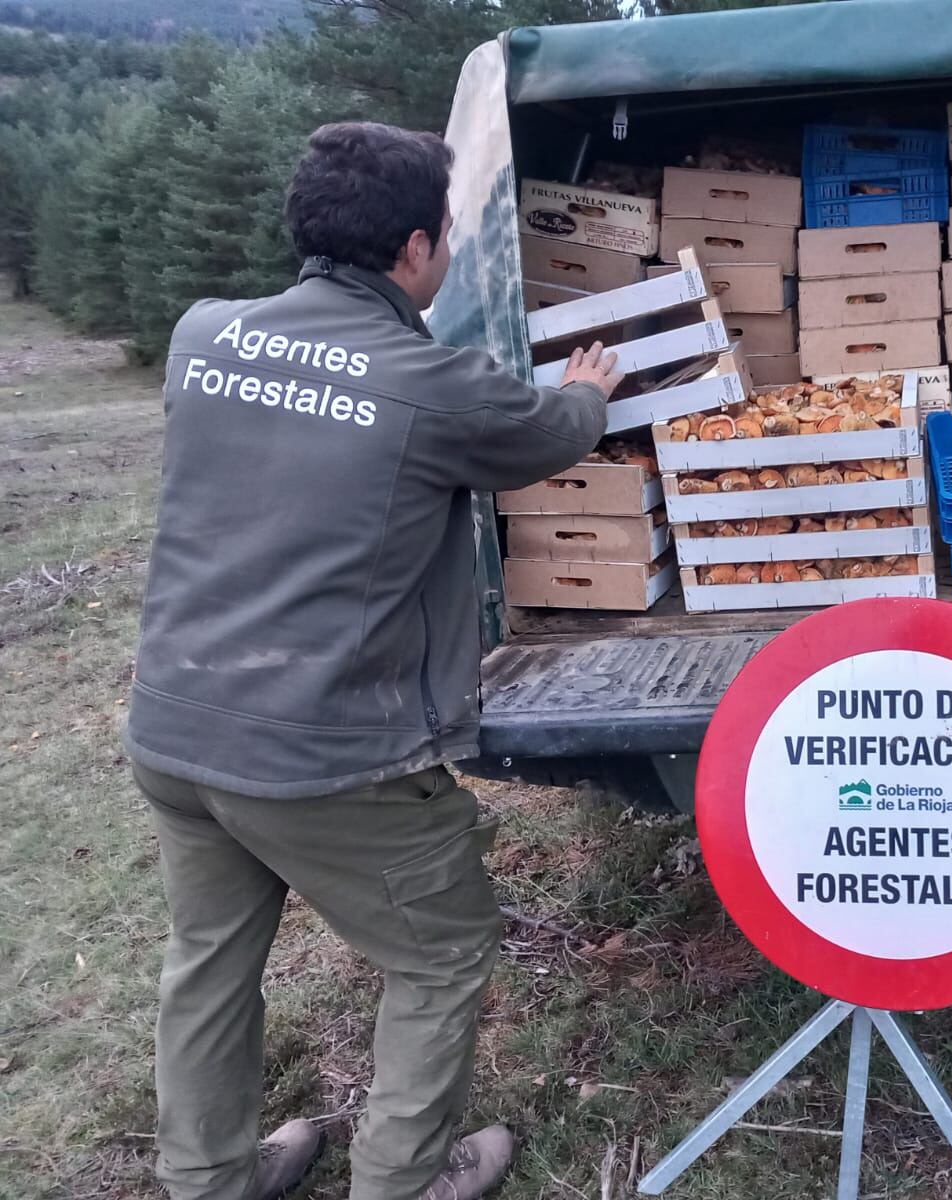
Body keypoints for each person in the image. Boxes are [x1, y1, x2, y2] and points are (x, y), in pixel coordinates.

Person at [124, 122, 625, 1200]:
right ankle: (401, 1182)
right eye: (443, 236)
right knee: (442, 951)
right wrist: (589, 386)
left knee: (209, 963)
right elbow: (547, 434)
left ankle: (208, 1181)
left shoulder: (204, 334)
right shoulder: (431, 381)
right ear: (412, 249)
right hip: (323, 749)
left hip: (176, 726)